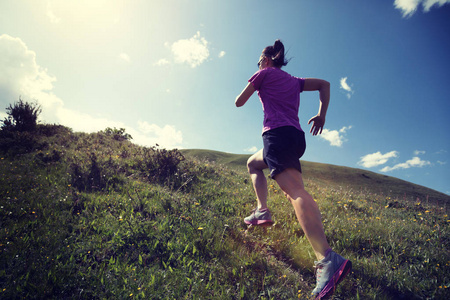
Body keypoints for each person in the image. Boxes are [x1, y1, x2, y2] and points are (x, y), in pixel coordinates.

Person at [235, 39, 352, 299]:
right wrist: (321, 114)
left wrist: (257, 80)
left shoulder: (263, 73)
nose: (257, 64)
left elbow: (238, 102)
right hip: (295, 137)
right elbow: (324, 84)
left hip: (276, 135)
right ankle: (262, 210)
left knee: (296, 192)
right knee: (254, 163)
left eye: (259, 61)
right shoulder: (294, 80)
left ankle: (327, 258)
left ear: (266, 60)